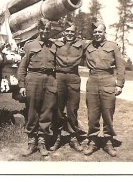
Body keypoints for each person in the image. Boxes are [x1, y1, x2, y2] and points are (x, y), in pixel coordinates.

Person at [83, 22, 125, 157]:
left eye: (99, 32)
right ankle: (93, 141)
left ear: (104, 32)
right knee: (92, 113)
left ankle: (108, 141)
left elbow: (120, 66)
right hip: (93, 79)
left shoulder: (112, 46)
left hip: (108, 79)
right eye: (94, 32)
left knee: (108, 112)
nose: (97, 34)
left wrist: (119, 84)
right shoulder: (88, 45)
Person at [17, 18, 57, 157]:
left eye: (47, 29)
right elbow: (22, 66)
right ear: (38, 29)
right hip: (33, 78)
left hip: (50, 80)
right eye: (43, 29)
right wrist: (21, 84)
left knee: (47, 111)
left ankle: (42, 142)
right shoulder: (30, 45)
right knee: (32, 111)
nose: (45, 31)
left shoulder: (54, 46)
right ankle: (31, 142)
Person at [50, 23, 84, 152]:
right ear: (64, 32)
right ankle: (57, 137)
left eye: (72, 32)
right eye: (67, 31)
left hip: (73, 77)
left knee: (73, 109)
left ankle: (73, 138)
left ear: (75, 33)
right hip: (59, 77)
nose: (69, 34)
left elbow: (95, 44)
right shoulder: (55, 44)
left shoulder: (82, 44)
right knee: (58, 109)